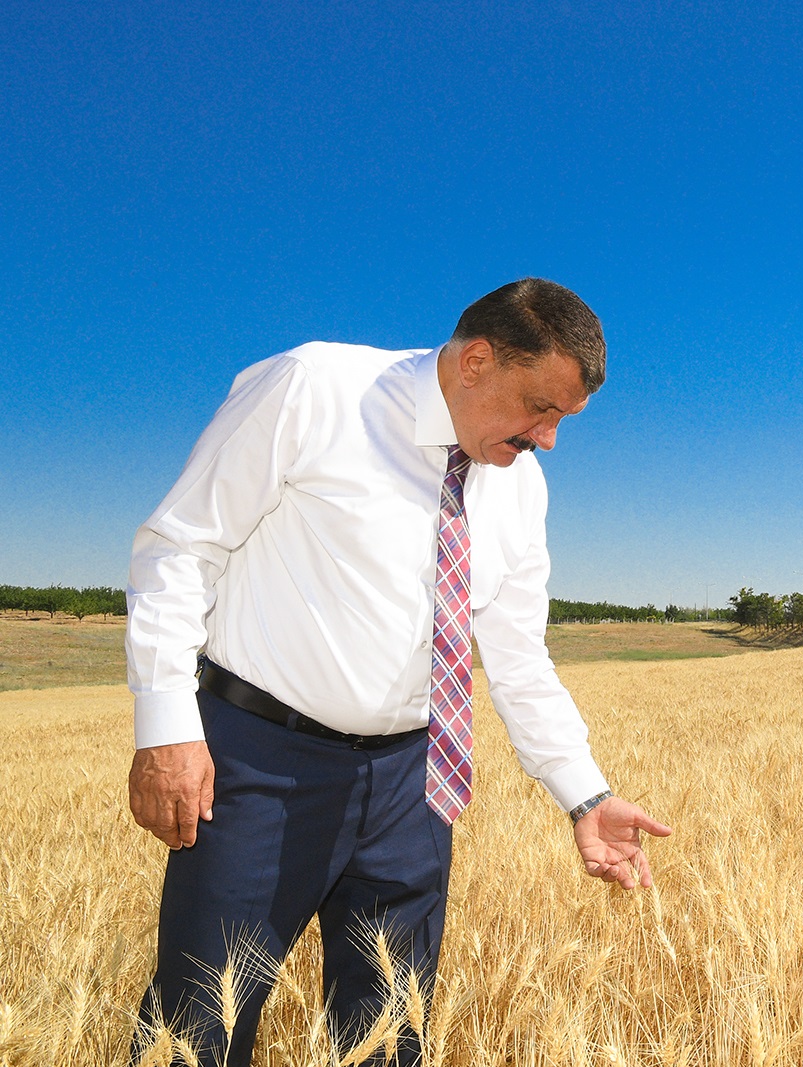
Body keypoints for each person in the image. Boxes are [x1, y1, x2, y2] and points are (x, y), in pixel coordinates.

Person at [125, 278, 671, 1066]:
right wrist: (168, 726)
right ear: (477, 359)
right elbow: (179, 548)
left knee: (388, 1035)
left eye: (563, 420)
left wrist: (584, 795)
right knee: (198, 1026)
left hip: (417, 785)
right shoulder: (315, 389)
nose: (548, 438)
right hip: (258, 767)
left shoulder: (521, 486)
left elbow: (517, 655)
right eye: (541, 408)